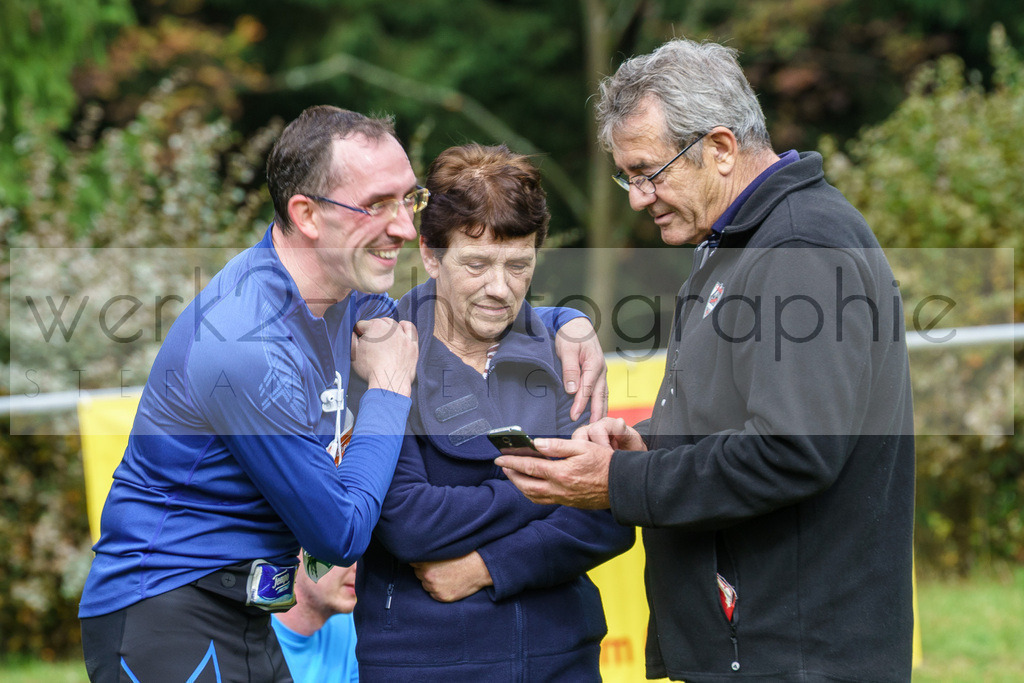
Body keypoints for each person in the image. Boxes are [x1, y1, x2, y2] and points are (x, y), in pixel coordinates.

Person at [78, 106, 605, 683]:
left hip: (245, 614)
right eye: (378, 205)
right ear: (306, 213)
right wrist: (386, 389)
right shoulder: (244, 342)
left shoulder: (347, 296)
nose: (405, 228)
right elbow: (339, 533)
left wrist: (559, 323)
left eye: (410, 200)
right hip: (166, 607)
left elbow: (456, 307)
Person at [497, 39, 916, 682]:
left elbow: (792, 449)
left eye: (648, 173)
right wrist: (645, 448)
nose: (638, 197)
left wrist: (618, 483)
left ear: (719, 148)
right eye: (627, 177)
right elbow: (737, 420)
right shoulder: (733, 243)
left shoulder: (801, 245)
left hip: (796, 659)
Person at [354, 143, 635, 682]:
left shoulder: (564, 350)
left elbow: (610, 515)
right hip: (425, 666)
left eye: (519, 265)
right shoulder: (383, 351)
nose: (499, 288)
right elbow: (408, 522)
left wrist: (485, 567)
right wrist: (554, 483)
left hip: (565, 661)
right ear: (431, 255)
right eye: (477, 264)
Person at [272, 556, 359, 683]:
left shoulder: (353, 629)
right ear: (295, 551)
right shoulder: (244, 635)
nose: (357, 568)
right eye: (341, 551)